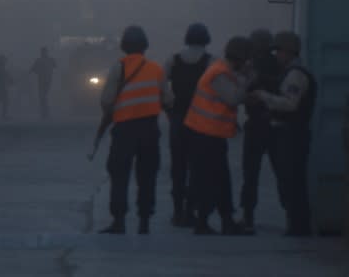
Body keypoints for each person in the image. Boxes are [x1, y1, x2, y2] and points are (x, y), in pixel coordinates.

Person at [97, 26, 170, 235]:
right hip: (149, 129)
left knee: (119, 175)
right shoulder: (156, 69)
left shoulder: (118, 69)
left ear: (124, 47)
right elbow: (168, 99)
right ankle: (144, 220)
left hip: (124, 130)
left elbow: (106, 101)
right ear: (145, 46)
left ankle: (118, 221)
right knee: (147, 176)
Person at [249, 31, 316, 237]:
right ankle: (297, 224)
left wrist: (264, 96)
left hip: (292, 135)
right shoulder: (290, 72)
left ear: (288, 51)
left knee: (293, 181)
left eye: (278, 51)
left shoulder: (295, 74)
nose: (276, 55)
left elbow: (290, 104)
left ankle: (298, 226)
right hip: (291, 133)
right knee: (291, 180)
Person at [184, 36, 253, 235]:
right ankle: (205, 221)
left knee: (220, 179)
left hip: (210, 134)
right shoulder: (219, 74)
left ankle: (223, 220)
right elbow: (232, 98)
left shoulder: (222, 70)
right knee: (210, 179)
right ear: (240, 58)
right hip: (205, 134)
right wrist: (248, 81)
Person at [163, 23, 213, 228]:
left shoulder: (173, 60)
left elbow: (161, 85)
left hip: (178, 118)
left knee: (178, 167)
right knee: (198, 167)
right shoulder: (211, 61)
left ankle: (177, 212)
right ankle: (191, 210)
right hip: (201, 120)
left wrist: (169, 107)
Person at [239, 29, 281, 231]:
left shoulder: (251, 66)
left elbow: (243, 90)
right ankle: (294, 216)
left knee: (250, 175)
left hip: (256, 124)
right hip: (275, 126)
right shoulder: (279, 66)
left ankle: (248, 218)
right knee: (282, 172)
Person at [31, 47, 56, 120]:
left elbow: (33, 69)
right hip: (44, 80)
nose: (43, 53)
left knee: (43, 96)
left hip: (45, 80)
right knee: (43, 96)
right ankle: (44, 112)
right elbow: (33, 69)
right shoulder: (42, 60)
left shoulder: (44, 60)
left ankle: (44, 112)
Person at [0, 54, 14, 120]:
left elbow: (7, 76)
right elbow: (6, 76)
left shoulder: (1, 68)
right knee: (0, 102)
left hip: (2, 88)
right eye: (4, 61)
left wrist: (10, 81)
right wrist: (11, 80)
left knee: (4, 101)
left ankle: (3, 115)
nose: (5, 62)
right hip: (0, 88)